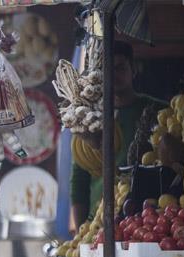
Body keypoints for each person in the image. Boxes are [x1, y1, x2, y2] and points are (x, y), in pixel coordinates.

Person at [69, 41, 166, 231]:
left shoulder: (157, 111)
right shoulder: (88, 120)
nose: (113, 75)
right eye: (106, 69)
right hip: (96, 223)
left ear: (133, 70)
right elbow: (79, 182)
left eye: (120, 68)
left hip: (145, 219)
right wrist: (80, 234)